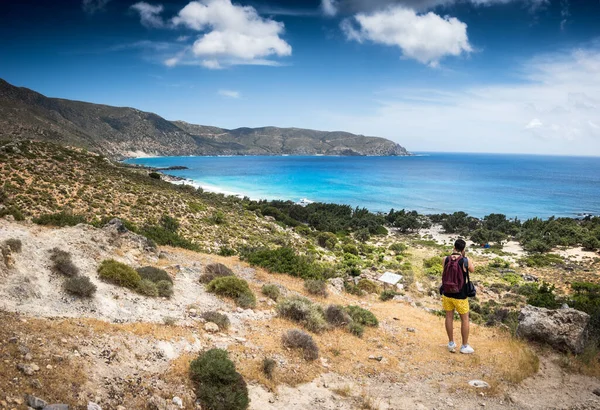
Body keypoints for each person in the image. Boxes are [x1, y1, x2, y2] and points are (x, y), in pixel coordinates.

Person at [442, 238, 475, 354]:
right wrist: (464, 256)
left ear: (454, 247)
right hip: (460, 295)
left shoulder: (445, 259)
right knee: (464, 319)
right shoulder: (465, 260)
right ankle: (464, 346)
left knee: (449, 317)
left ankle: (451, 343)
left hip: (447, 293)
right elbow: (472, 270)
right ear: (463, 249)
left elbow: (444, 272)